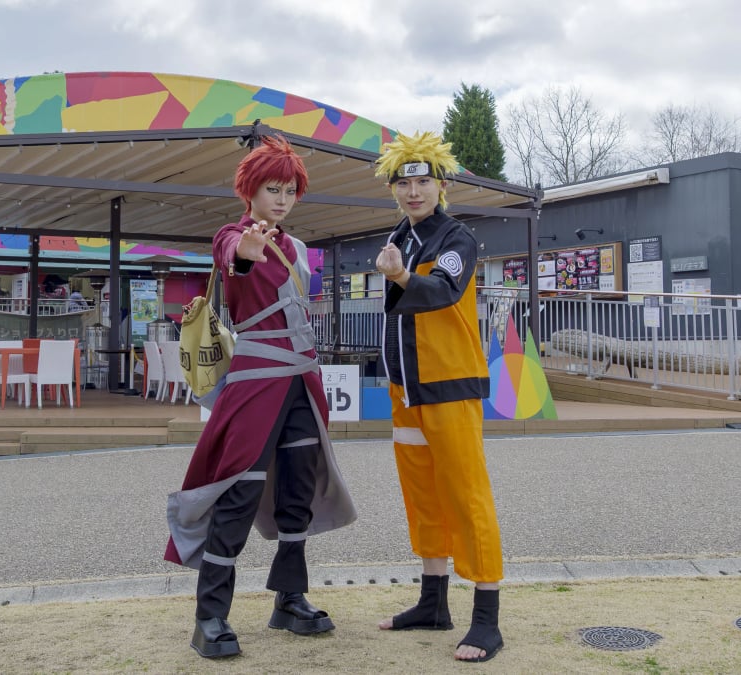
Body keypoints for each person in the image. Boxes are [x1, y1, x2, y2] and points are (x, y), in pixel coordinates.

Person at [164, 134, 357, 659]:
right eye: (272, 188)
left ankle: (289, 599)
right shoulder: (233, 234)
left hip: (302, 381)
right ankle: (210, 616)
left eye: (289, 190)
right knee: (238, 490)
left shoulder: (295, 247)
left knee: (297, 492)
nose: (281, 198)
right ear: (249, 191)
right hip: (255, 382)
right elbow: (234, 257)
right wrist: (244, 253)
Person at [373, 131, 504, 663]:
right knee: (423, 495)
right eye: (404, 183)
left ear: (441, 184)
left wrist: (402, 275)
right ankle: (433, 603)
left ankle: (487, 619)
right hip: (406, 388)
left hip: (449, 386)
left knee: (467, 495)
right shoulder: (398, 237)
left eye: (423, 181)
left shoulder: (457, 239)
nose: (413, 191)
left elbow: (443, 292)